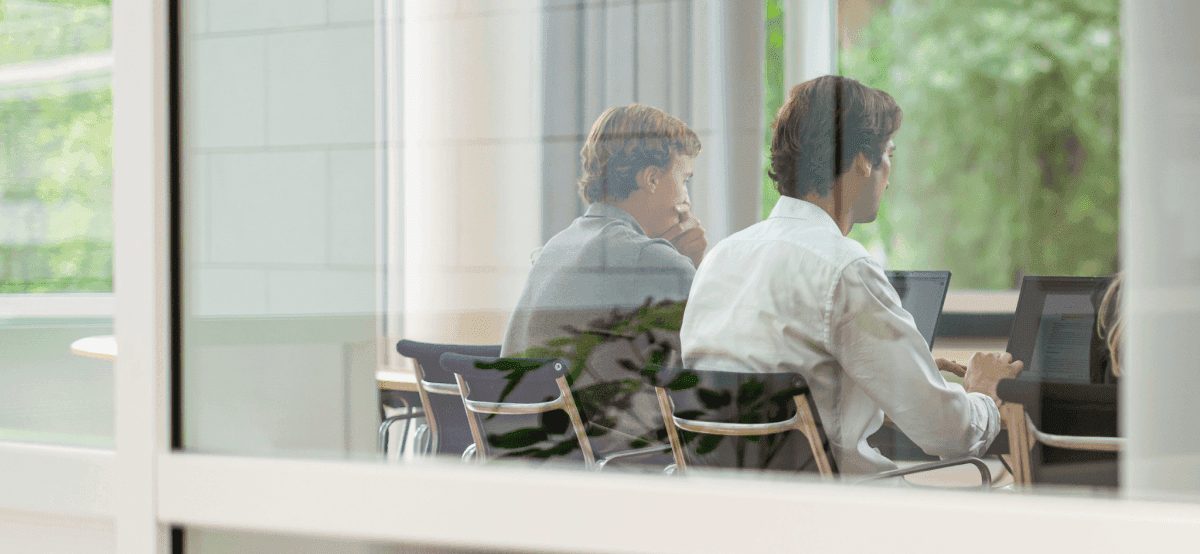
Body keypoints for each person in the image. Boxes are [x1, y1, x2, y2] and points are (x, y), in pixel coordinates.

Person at [680, 75, 1024, 476]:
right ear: (862, 159)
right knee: (1001, 491)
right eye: (889, 153)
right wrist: (985, 392)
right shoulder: (845, 269)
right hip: (837, 520)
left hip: (729, 513)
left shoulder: (719, 260)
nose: (889, 174)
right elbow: (949, 434)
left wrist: (880, 389)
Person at [499, 104, 707, 462]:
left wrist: (672, 260)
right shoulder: (653, 261)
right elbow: (710, 368)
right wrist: (694, 265)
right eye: (684, 178)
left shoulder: (555, 247)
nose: (686, 198)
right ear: (653, 178)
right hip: (615, 464)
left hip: (531, 454)